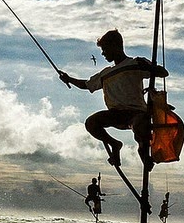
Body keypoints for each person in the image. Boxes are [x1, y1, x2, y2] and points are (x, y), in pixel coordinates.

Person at [59, 30, 168, 172]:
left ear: (116, 46)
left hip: (136, 113)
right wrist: (69, 79)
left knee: (140, 126)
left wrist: (149, 67)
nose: (103, 54)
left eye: (104, 49)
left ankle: (144, 152)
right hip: (115, 114)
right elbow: (86, 85)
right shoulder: (106, 73)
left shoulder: (136, 63)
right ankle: (114, 144)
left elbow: (163, 73)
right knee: (91, 123)